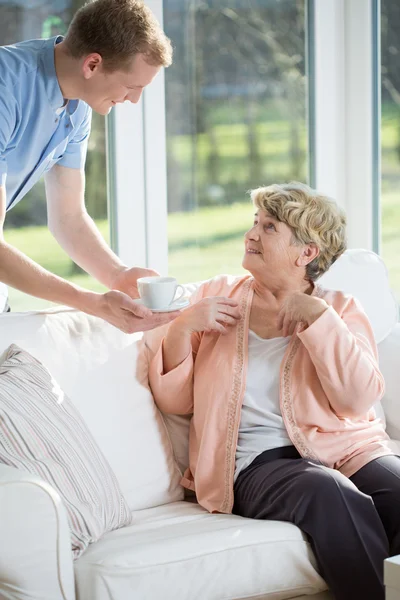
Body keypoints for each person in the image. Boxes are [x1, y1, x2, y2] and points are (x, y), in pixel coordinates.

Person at [147, 182, 399, 600]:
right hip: (253, 462)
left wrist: (319, 320)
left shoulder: (340, 309)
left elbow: (356, 401)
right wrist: (182, 328)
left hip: (347, 449)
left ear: (307, 253)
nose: (251, 235)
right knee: (327, 491)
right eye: (254, 223)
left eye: (269, 227)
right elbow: (176, 402)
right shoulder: (216, 296)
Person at [0, 0, 178, 333]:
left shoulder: (77, 104)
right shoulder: (5, 88)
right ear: (92, 64)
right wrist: (90, 302)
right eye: (131, 87)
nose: (134, 100)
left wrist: (117, 275)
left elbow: (68, 216)